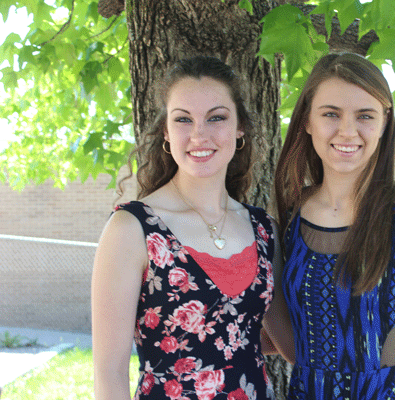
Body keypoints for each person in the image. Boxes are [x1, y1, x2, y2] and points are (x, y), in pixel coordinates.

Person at [273, 52, 395, 399]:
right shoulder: (290, 214)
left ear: (384, 122)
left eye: (365, 115)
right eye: (331, 114)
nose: (347, 131)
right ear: (306, 120)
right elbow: (292, 331)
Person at [91, 55, 287, 400]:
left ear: (239, 127)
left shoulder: (263, 230)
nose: (199, 134)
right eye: (183, 119)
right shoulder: (133, 228)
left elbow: (282, 340)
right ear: (166, 132)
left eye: (216, 118)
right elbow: (109, 372)